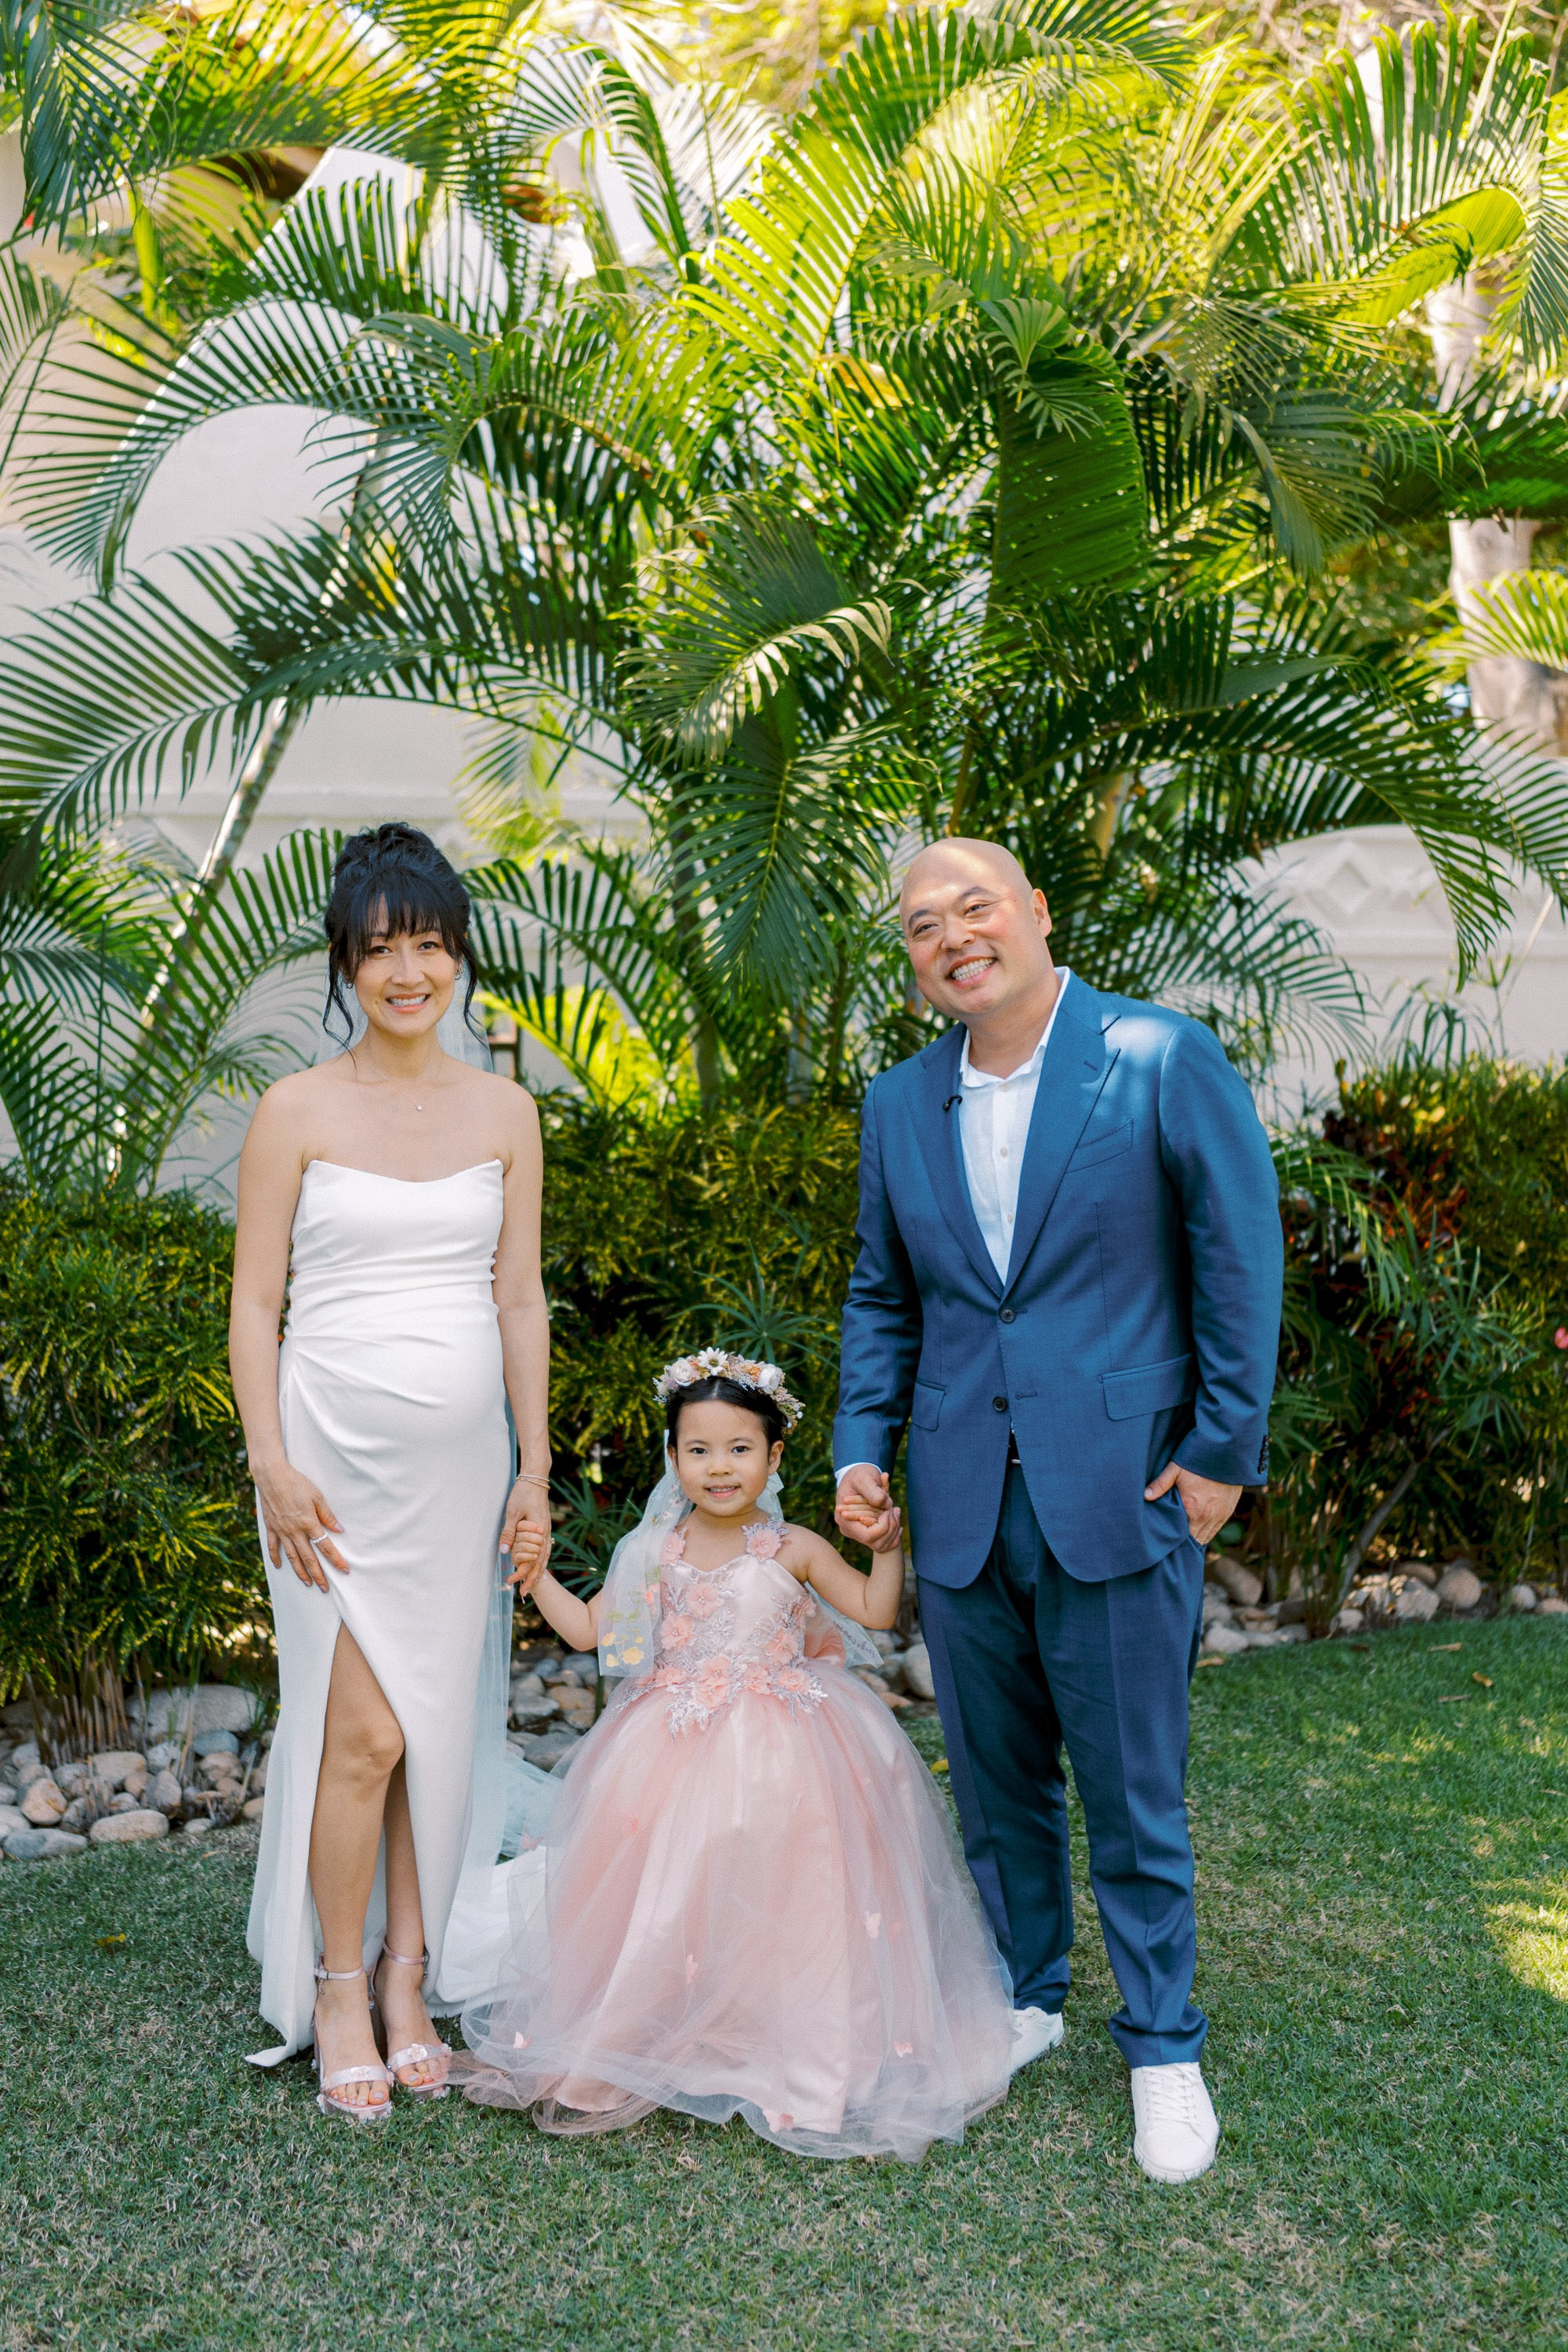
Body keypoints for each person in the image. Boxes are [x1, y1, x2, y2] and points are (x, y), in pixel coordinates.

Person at [833, 838, 1283, 2184]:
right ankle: (1027, 1999)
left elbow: (1237, 1256)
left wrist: (1219, 1456)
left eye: (976, 908)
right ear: (914, 964)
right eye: (924, 926)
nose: (954, 937)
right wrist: (862, 1442)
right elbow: (883, 1294)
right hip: (961, 1497)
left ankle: (1163, 2049)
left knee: (1134, 1792)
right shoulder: (899, 1104)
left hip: (1122, 1488)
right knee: (1000, 1783)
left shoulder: (1157, 1055)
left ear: (1035, 914)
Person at [459, 1350, 1016, 2161]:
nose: (719, 1468)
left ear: (773, 1455)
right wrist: (537, 1576)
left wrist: (887, 1545)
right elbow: (590, 1632)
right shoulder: (650, 1551)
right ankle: (664, 2024)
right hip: (671, 1740)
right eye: (698, 1450)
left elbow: (873, 1607)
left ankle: (795, 2038)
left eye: (738, 1449)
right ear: (672, 1457)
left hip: (793, 1742)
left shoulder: (790, 1545)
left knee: (796, 1888)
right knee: (672, 1888)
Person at [229, 822, 550, 2122]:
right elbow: (257, 1305)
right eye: (379, 950)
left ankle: (412, 1981)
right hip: (326, 1463)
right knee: (359, 1731)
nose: (406, 972)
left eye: (427, 945)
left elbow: (518, 1297)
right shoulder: (294, 1110)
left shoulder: (506, 1109)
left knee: (433, 1731)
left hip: (464, 1470)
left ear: (459, 957)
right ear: (345, 965)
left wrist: (533, 1469)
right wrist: (269, 1463)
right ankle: (339, 1985)